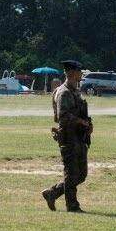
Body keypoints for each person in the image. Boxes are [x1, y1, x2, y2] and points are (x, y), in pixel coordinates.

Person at [42, 60, 93, 213]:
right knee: (71, 173)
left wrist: (88, 125)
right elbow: (63, 116)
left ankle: (52, 193)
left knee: (81, 174)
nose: (81, 74)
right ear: (71, 73)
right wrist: (80, 122)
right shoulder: (64, 93)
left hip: (79, 137)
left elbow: (79, 112)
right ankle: (72, 205)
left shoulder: (75, 91)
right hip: (69, 138)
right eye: (79, 71)